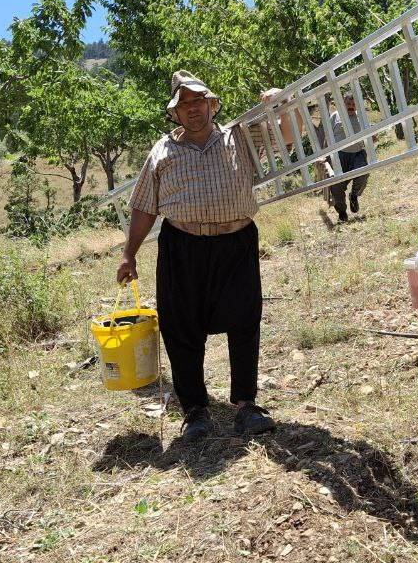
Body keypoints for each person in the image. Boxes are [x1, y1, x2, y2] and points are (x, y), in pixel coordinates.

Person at [117, 70, 294, 442]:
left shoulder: (240, 136)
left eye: (199, 101)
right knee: (181, 326)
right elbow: (144, 207)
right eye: (184, 105)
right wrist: (129, 254)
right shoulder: (162, 151)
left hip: (237, 242)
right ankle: (195, 409)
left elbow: (289, 135)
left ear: (212, 105)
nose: (192, 109)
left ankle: (246, 405)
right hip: (182, 246)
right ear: (175, 114)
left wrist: (281, 102)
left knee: (245, 317)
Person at [315, 92, 372, 223]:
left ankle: (354, 195)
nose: (351, 106)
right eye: (348, 104)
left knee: (363, 173)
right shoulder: (335, 116)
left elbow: (368, 133)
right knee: (336, 184)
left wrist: (371, 138)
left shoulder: (361, 117)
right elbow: (327, 137)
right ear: (342, 104)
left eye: (353, 104)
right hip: (338, 156)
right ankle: (342, 212)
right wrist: (324, 154)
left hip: (357, 153)